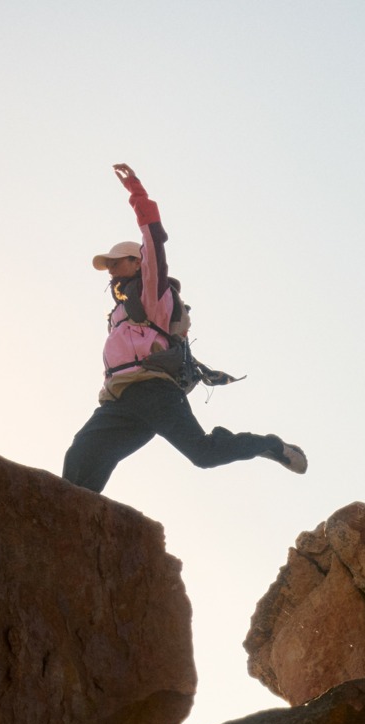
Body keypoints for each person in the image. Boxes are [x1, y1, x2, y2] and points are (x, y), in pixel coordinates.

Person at [61, 164, 305, 493]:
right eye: (109, 264)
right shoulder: (118, 312)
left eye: (117, 261)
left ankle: (271, 445)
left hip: (157, 393)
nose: (111, 269)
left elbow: (153, 240)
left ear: (137, 263)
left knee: (203, 454)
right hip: (121, 399)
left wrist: (136, 192)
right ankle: (72, 528)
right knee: (82, 455)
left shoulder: (152, 292)